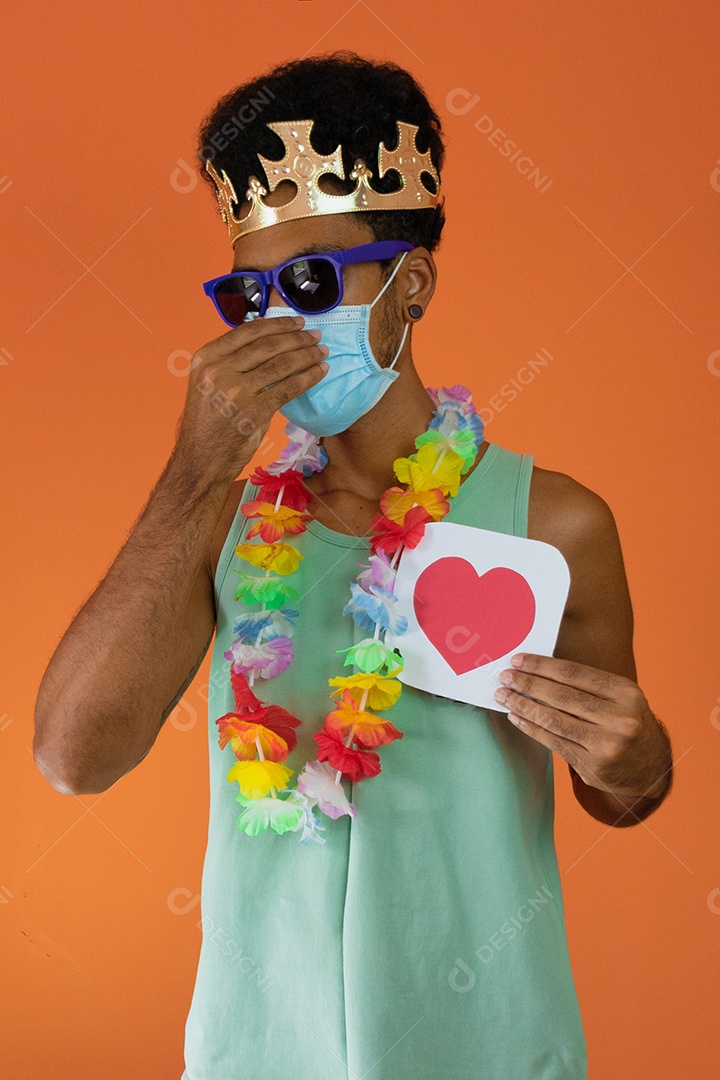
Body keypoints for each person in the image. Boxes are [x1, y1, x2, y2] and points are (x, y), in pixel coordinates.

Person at [33, 50, 674, 1080]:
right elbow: (73, 758)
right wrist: (200, 464)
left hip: (489, 1050)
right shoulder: (221, 524)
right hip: (258, 1053)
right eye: (248, 293)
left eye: (311, 281)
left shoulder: (552, 523)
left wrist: (639, 760)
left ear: (411, 281)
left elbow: (622, 791)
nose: (278, 317)